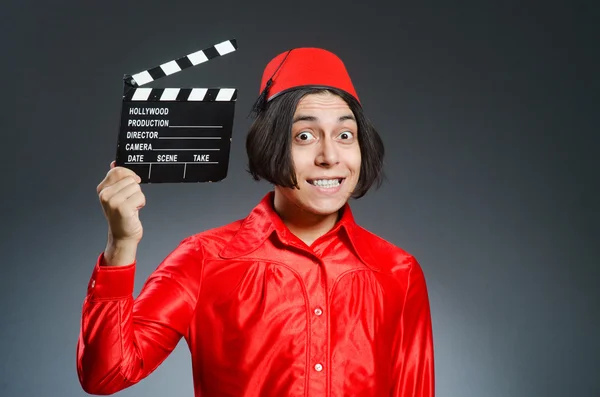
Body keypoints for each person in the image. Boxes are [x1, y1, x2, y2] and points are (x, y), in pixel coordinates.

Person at [76, 47, 435, 397]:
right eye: (304, 136)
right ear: (270, 145)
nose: (329, 156)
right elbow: (106, 375)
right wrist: (121, 243)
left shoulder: (398, 272)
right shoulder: (203, 258)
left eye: (345, 135)